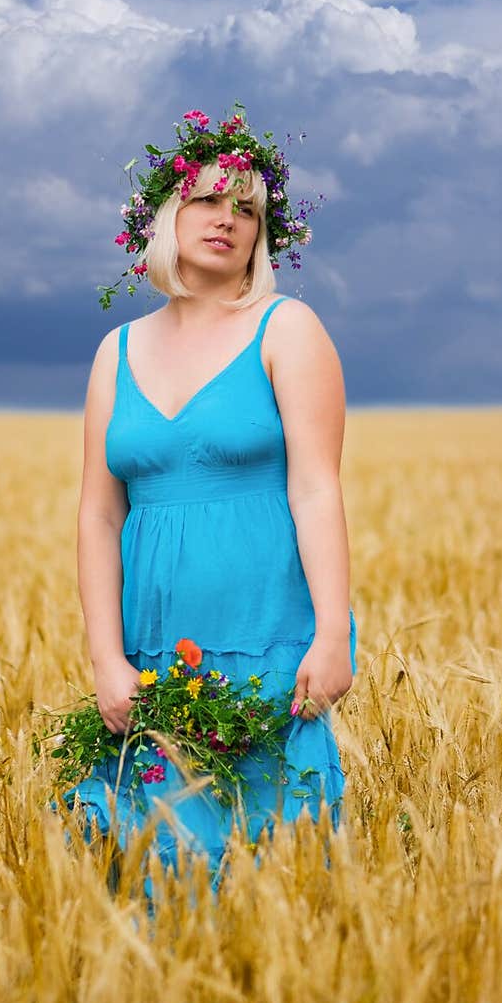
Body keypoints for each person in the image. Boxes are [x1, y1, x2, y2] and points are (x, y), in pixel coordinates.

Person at [62, 105, 358, 900]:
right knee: (157, 881)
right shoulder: (114, 351)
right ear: (163, 215)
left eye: (248, 208)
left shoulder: (286, 329)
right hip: (154, 657)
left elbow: (317, 485)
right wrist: (106, 658)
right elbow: (98, 513)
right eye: (206, 199)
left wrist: (333, 631)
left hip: (267, 645)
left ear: (265, 235)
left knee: (275, 869)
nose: (227, 218)